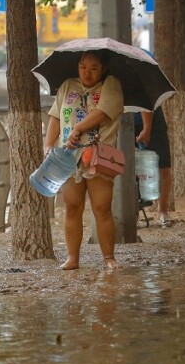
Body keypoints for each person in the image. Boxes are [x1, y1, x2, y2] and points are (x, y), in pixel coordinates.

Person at [44, 51, 125, 270]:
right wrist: (49, 145)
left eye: (94, 68)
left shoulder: (111, 85)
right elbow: (56, 116)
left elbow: (102, 113)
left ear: (104, 69)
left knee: (102, 207)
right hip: (68, 156)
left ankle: (109, 256)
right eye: (83, 66)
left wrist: (79, 128)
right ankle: (72, 258)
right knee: (72, 206)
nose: (87, 73)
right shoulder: (67, 86)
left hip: (98, 156)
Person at [133, 108, 174, 225]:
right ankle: (131, 210)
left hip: (153, 119)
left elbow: (145, 101)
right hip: (125, 119)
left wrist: (147, 128)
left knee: (162, 165)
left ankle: (162, 210)